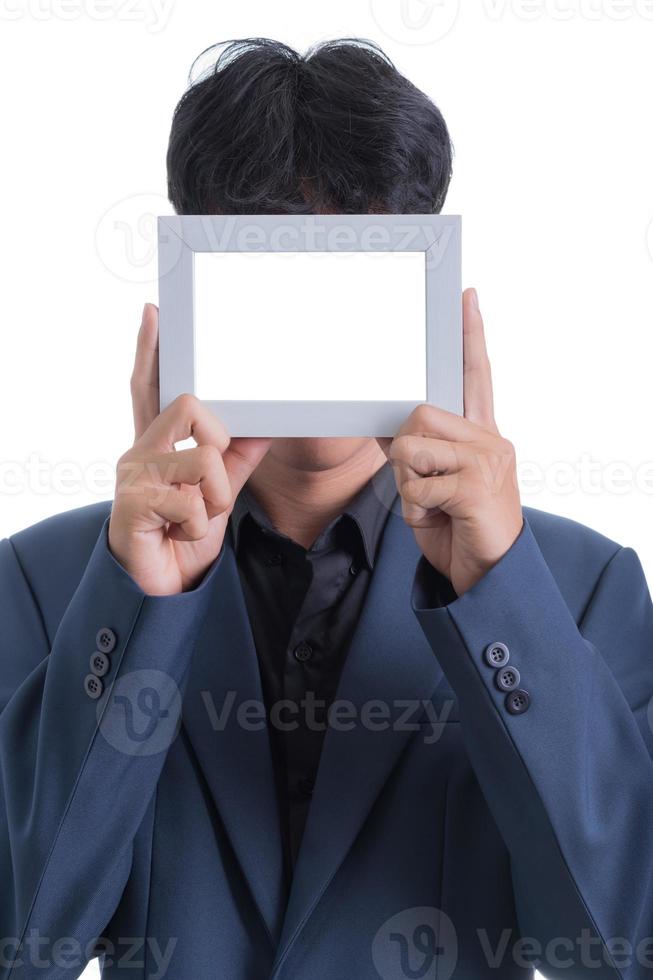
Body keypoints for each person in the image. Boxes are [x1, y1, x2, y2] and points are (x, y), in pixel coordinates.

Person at [1, 38, 652, 980]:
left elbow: (614, 947)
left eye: (355, 276)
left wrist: (500, 590)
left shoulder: (578, 587)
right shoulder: (46, 584)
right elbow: (28, 945)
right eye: (270, 278)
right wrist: (137, 605)